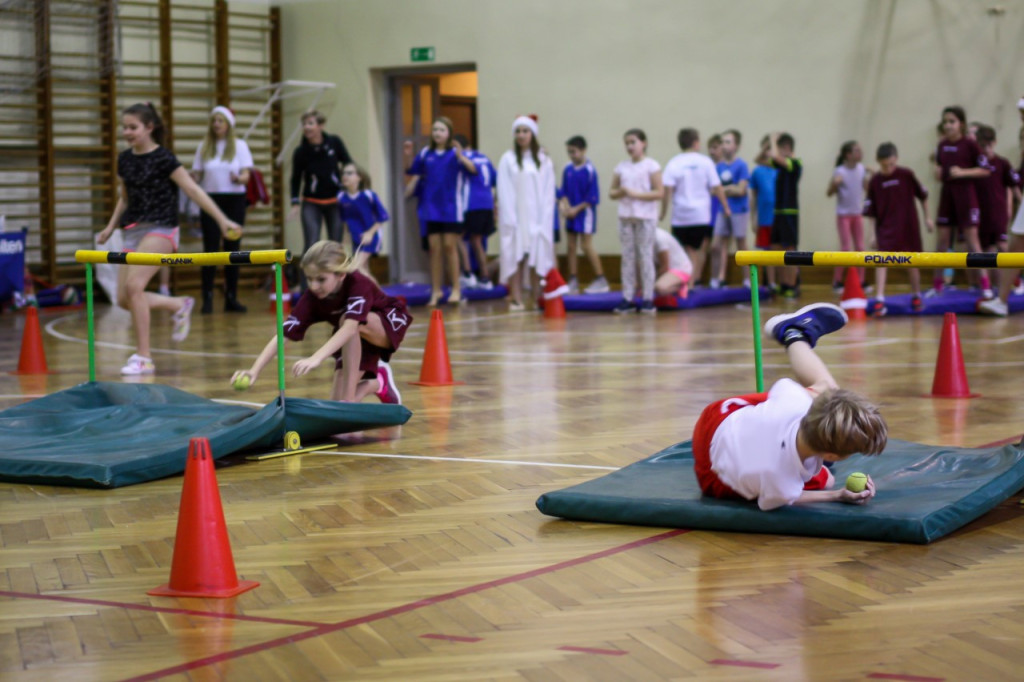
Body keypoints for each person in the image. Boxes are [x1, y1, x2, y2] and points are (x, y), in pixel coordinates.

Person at [692, 302, 887, 510]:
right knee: (827, 480)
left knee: (828, 388)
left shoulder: (794, 401)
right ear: (831, 456)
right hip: (713, 472)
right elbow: (783, 498)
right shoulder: (782, 482)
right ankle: (794, 331)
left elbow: (784, 386)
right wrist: (837, 494)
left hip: (716, 419)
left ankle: (794, 334)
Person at [97, 102, 242, 376]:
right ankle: (179, 304)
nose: (127, 132)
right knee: (122, 299)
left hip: (161, 228)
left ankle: (144, 356)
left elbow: (193, 189)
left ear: (149, 127)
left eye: (133, 127)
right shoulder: (125, 159)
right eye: (124, 127)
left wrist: (223, 220)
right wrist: (110, 227)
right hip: (133, 229)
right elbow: (124, 197)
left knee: (135, 287)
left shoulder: (164, 158)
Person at [231, 240, 409, 403]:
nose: (313, 286)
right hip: (353, 337)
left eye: (321, 279)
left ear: (340, 275)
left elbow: (349, 328)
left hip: (384, 323)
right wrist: (254, 370)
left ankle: (348, 403)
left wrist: (316, 358)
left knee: (346, 322)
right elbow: (283, 334)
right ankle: (378, 382)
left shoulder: (358, 283)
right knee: (334, 405)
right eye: (309, 278)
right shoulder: (311, 298)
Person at [404, 116, 476, 306]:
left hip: (451, 208)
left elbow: (473, 169)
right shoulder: (426, 152)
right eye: (435, 130)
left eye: (441, 130)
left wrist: (461, 156)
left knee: (450, 247)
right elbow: (412, 170)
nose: (437, 133)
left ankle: (456, 289)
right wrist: (409, 155)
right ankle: (436, 290)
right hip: (430, 209)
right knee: (434, 250)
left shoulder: (455, 153)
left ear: (449, 133)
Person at [192, 105, 253, 314]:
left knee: (232, 249)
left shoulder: (240, 146)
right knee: (210, 249)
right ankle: (207, 297)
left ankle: (231, 297)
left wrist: (239, 178)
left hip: (234, 199)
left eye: (221, 120)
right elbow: (197, 175)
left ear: (228, 124)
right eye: (214, 121)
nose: (217, 124)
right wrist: (189, 179)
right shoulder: (204, 146)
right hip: (211, 200)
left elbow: (247, 174)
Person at [862, 143, 933, 316]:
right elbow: (871, 212)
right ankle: (879, 299)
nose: (888, 168)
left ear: (896, 159)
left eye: (891, 164)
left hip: (908, 226)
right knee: (881, 261)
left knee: (913, 262)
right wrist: (872, 234)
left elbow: (923, 196)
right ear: (879, 162)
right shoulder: (875, 182)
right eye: (884, 165)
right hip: (885, 228)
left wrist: (927, 218)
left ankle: (916, 295)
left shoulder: (906, 175)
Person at [496, 115, 557, 311]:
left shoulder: (543, 160)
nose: (521, 135)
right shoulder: (508, 159)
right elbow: (504, 188)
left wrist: (544, 218)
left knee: (536, 256)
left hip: (537, 216)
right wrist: (509, 216)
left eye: (525, 131)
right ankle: (516, 296)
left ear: (533, 134)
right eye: (518, 131)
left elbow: (549, 191)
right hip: (515, 216)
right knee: (516, 255)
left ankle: (537, 298)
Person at [929, 105, 991, 298]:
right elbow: (939, 169)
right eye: (945, 122)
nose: (948, 126)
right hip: (948, 194)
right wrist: (938, 171)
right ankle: (938, 285)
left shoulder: (970, 144)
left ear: (961, 124)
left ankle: (985, 285)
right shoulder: (941, 145)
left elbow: (985, 169)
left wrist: (963, 172)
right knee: (942, 240)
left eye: (952, 122)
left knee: (973, 240)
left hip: (966, 194)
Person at [289, 110, 353, 290]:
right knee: (311, 245)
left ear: (320, 126)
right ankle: (306, 290)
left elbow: (348, 163)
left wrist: (349, 187)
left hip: (334, 202)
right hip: (311, 203)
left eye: (310, 123)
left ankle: (339, 288)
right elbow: (295, 179)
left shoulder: (334, 143)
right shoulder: (301, 152)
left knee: (336, 245)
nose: (307, 127)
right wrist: (295, 203)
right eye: (305, 124)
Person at [660, 128, 730, 288]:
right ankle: (690, 282)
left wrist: (663, 212)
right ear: (696, 143)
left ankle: (684, 282)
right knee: (695, 250)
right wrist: (726, 206)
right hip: (699, 214)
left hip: (680, 215)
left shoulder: (674, 162)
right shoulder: (705, 162)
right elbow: (717, 186)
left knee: (682, 250)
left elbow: (667, 191)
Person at [609, 128, 663, 314]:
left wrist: (636, 194)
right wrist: (622, 192)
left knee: (645, 255)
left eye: (633, 142)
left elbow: (659, 192)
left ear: (643, 143)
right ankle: (628, 297)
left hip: (645, 217)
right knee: (628, 257)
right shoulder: (622, 166)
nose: (630, 146)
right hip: (626, 217)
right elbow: (612, 192)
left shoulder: (651, 165)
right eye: (627, 143)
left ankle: (648, 297)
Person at [976, 125, 1024, 317]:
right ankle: (1001, 299)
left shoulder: (1002, 164)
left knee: (1013, 247)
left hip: (1001, 212)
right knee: (1014, 249)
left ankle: (1002, 299)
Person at [559, 135, 608, 294]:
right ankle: (573, 279)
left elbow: (592, 198)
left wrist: (576, 209)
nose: (571, 155)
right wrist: (565, 207)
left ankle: (601, 279)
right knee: (571, 246)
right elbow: (563, 192)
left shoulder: (590, 170)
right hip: (571, 213)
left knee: (585, 245)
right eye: (569, 152)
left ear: (583, 151)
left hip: (585, 213)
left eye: (574, 152)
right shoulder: (567, 169)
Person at [454, 134, 496, 290]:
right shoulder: (484, 157)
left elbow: (472, 170)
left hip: (471, 204)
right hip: (487, 204)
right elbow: (494, 179)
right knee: (476, 239)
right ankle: (483, 277)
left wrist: (458, 155)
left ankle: (469, 273)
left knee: (459, 237)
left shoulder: (463, 156)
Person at [710, 129, 750, 289]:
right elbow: (713, 190)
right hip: (722, 210)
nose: (724, 146)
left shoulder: (741, 165)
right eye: (723, 142)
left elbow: (741, 189)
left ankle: (747, 280)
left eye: (728, 142)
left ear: (736, 146)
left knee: (741, 244)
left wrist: (723, 190)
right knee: (717, 245)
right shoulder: (718, 167)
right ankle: (716, 279)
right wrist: (729, 189)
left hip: (739, 210)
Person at [827, 140, 868, 293]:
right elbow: (829, 193)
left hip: (857, 213)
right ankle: (837, 281)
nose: (860, 153)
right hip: (844, 215)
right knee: (845, 248)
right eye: (856, 151)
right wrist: (835, 184)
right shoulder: (840, 171)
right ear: (848, 155)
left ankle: (861, 280)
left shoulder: (861, 169)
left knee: (860, 248)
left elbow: (866, 188)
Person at [338, 162, 389, 280]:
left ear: (359, 177)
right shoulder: (341, 198)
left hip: (371, 237)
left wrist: (370, 233)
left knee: (354, 268)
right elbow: (345, 221)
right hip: (356, 238)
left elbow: (383, 217)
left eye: (350, 173)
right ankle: (377, 297)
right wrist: (344, 241)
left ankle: (381, 298)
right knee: (363, 272)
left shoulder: (368, 195)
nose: (345, 176)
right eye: (343, 173)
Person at [769, 132, 803, 298]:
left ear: (788, 148)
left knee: (790, 249)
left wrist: (772, 139)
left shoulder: (795, 163)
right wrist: (768, 145)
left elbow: (775, 157)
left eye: (781, 148)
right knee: (776, 248)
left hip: (790, 212)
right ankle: (783, 284)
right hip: (778, 212)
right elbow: (760, 158)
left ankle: (792, 284)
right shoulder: (779, 165)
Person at [748, 135, 778, 289]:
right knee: (767, 252)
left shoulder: (779, 169)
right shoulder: (757, 171)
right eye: (766, 149)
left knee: (781, 250)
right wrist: (753, 219)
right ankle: (770, 282)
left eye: (771, 149)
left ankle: (786, 283)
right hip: (764, 218)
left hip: (779, 218)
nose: (768, 152)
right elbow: (753, 197)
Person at [653, 227, 693, 298]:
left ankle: (681, 286)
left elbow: (665, 266)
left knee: (659, 288)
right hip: (667, 270)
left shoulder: (659, 238)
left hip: (680, 269)